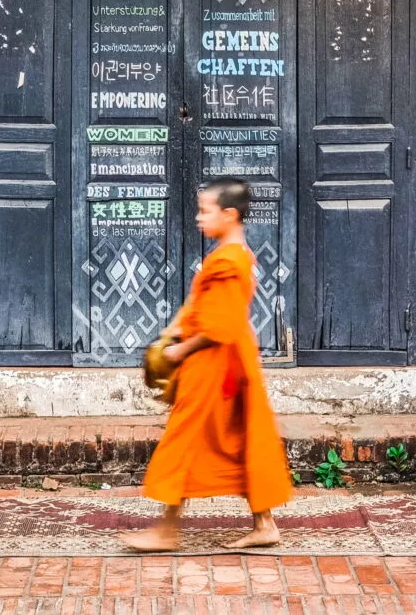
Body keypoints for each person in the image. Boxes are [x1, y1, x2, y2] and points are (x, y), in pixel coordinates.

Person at [120, 177, 292, 552]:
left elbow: (221, 326)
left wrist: (178, 352)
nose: (199, 218)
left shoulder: (230, 260)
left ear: (229, 215)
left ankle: (166, 530)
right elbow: (202, 306)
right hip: (225, 361)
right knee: (237, 440)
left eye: (205, 211)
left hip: (215, 363)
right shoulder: (229, 255)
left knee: (184, 441)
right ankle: (264, 524)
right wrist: (173, 328)